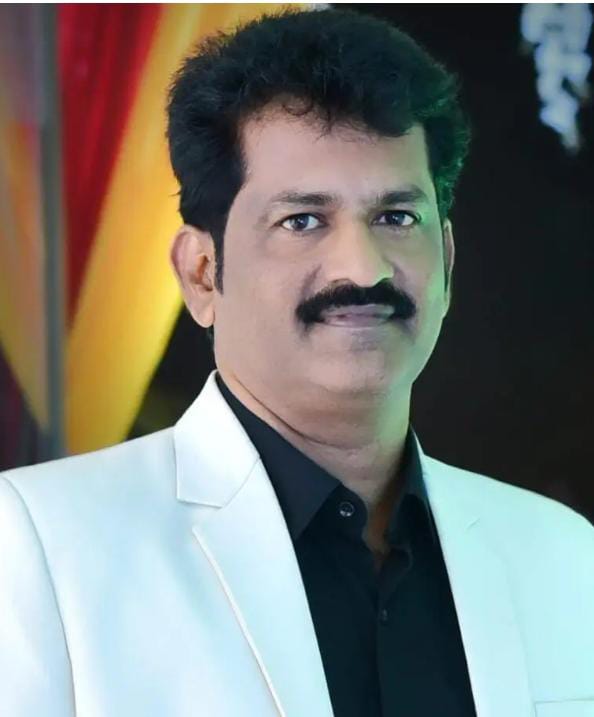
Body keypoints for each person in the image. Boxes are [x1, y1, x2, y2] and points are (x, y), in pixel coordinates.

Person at [1, 7, 593, 717]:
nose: (363, 268)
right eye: (302, 220)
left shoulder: (560, 554)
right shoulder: (39, 544)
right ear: (202, 274)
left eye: (396, 217)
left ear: (448, 259)